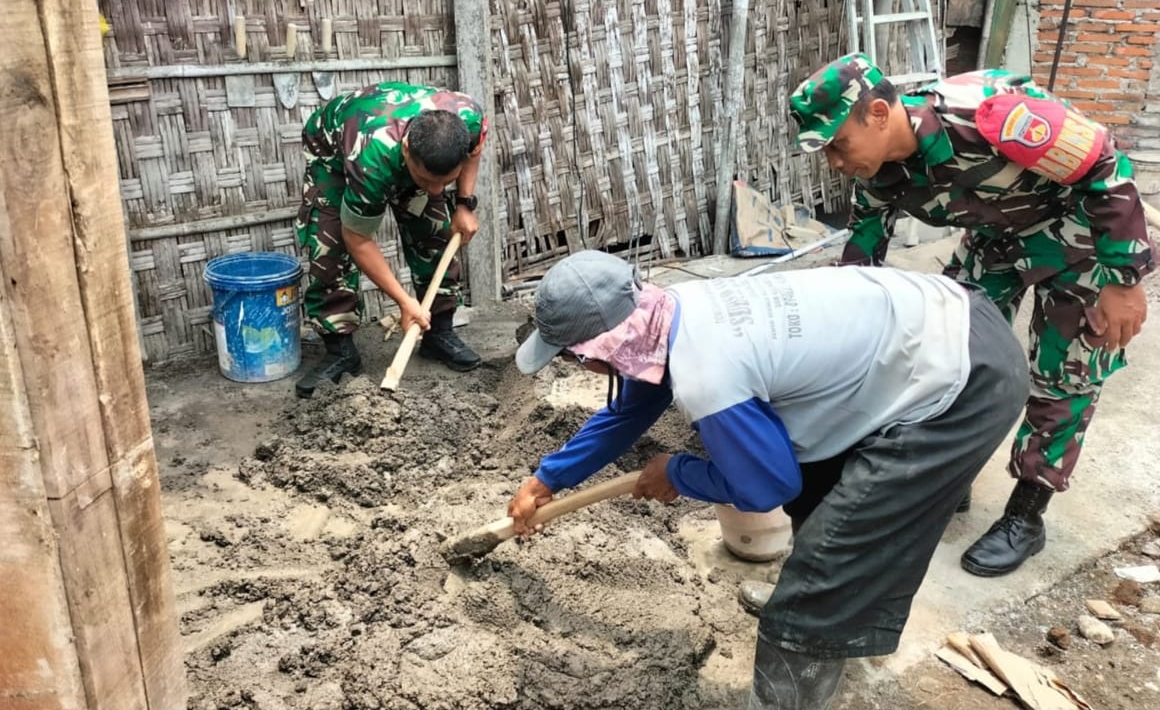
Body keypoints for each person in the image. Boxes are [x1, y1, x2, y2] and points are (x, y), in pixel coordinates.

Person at [508, 250, 1028, 710]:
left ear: (601, 348)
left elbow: (767, 489)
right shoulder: (671, 308)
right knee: (821, 487)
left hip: (960, 377)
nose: (580, 368)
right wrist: (547, 478)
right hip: (935, 317)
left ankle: (802, 654)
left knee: (834, 559)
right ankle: (824, 622)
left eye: (573, 357)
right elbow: (631, 409)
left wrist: (679, 472)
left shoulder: (709, 372)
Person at [789, 54, 1153, 576]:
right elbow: (862, 255)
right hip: (996, 243)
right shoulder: (878, 178)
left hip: (1078, 241)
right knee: (950, 356)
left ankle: (1027, 515)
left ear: (877, 113)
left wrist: (1125, 281)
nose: (835, 163)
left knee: (1063, 376)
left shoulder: (986, 116)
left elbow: (1105, 165)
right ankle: (950, 475)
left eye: (837, 145)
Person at [294, 82, 487, 398]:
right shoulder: (371, 158)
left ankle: (438, 334)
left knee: (436, 235)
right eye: (427, 180)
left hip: (400, 146)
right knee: (329, 248)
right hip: (334, 150)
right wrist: (403, 301)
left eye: (445, 182)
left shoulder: (467, 118)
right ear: (408, 149)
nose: (437, 191)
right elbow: (358, 239)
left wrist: (464, 203)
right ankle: (340, 350)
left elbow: (475, 151)